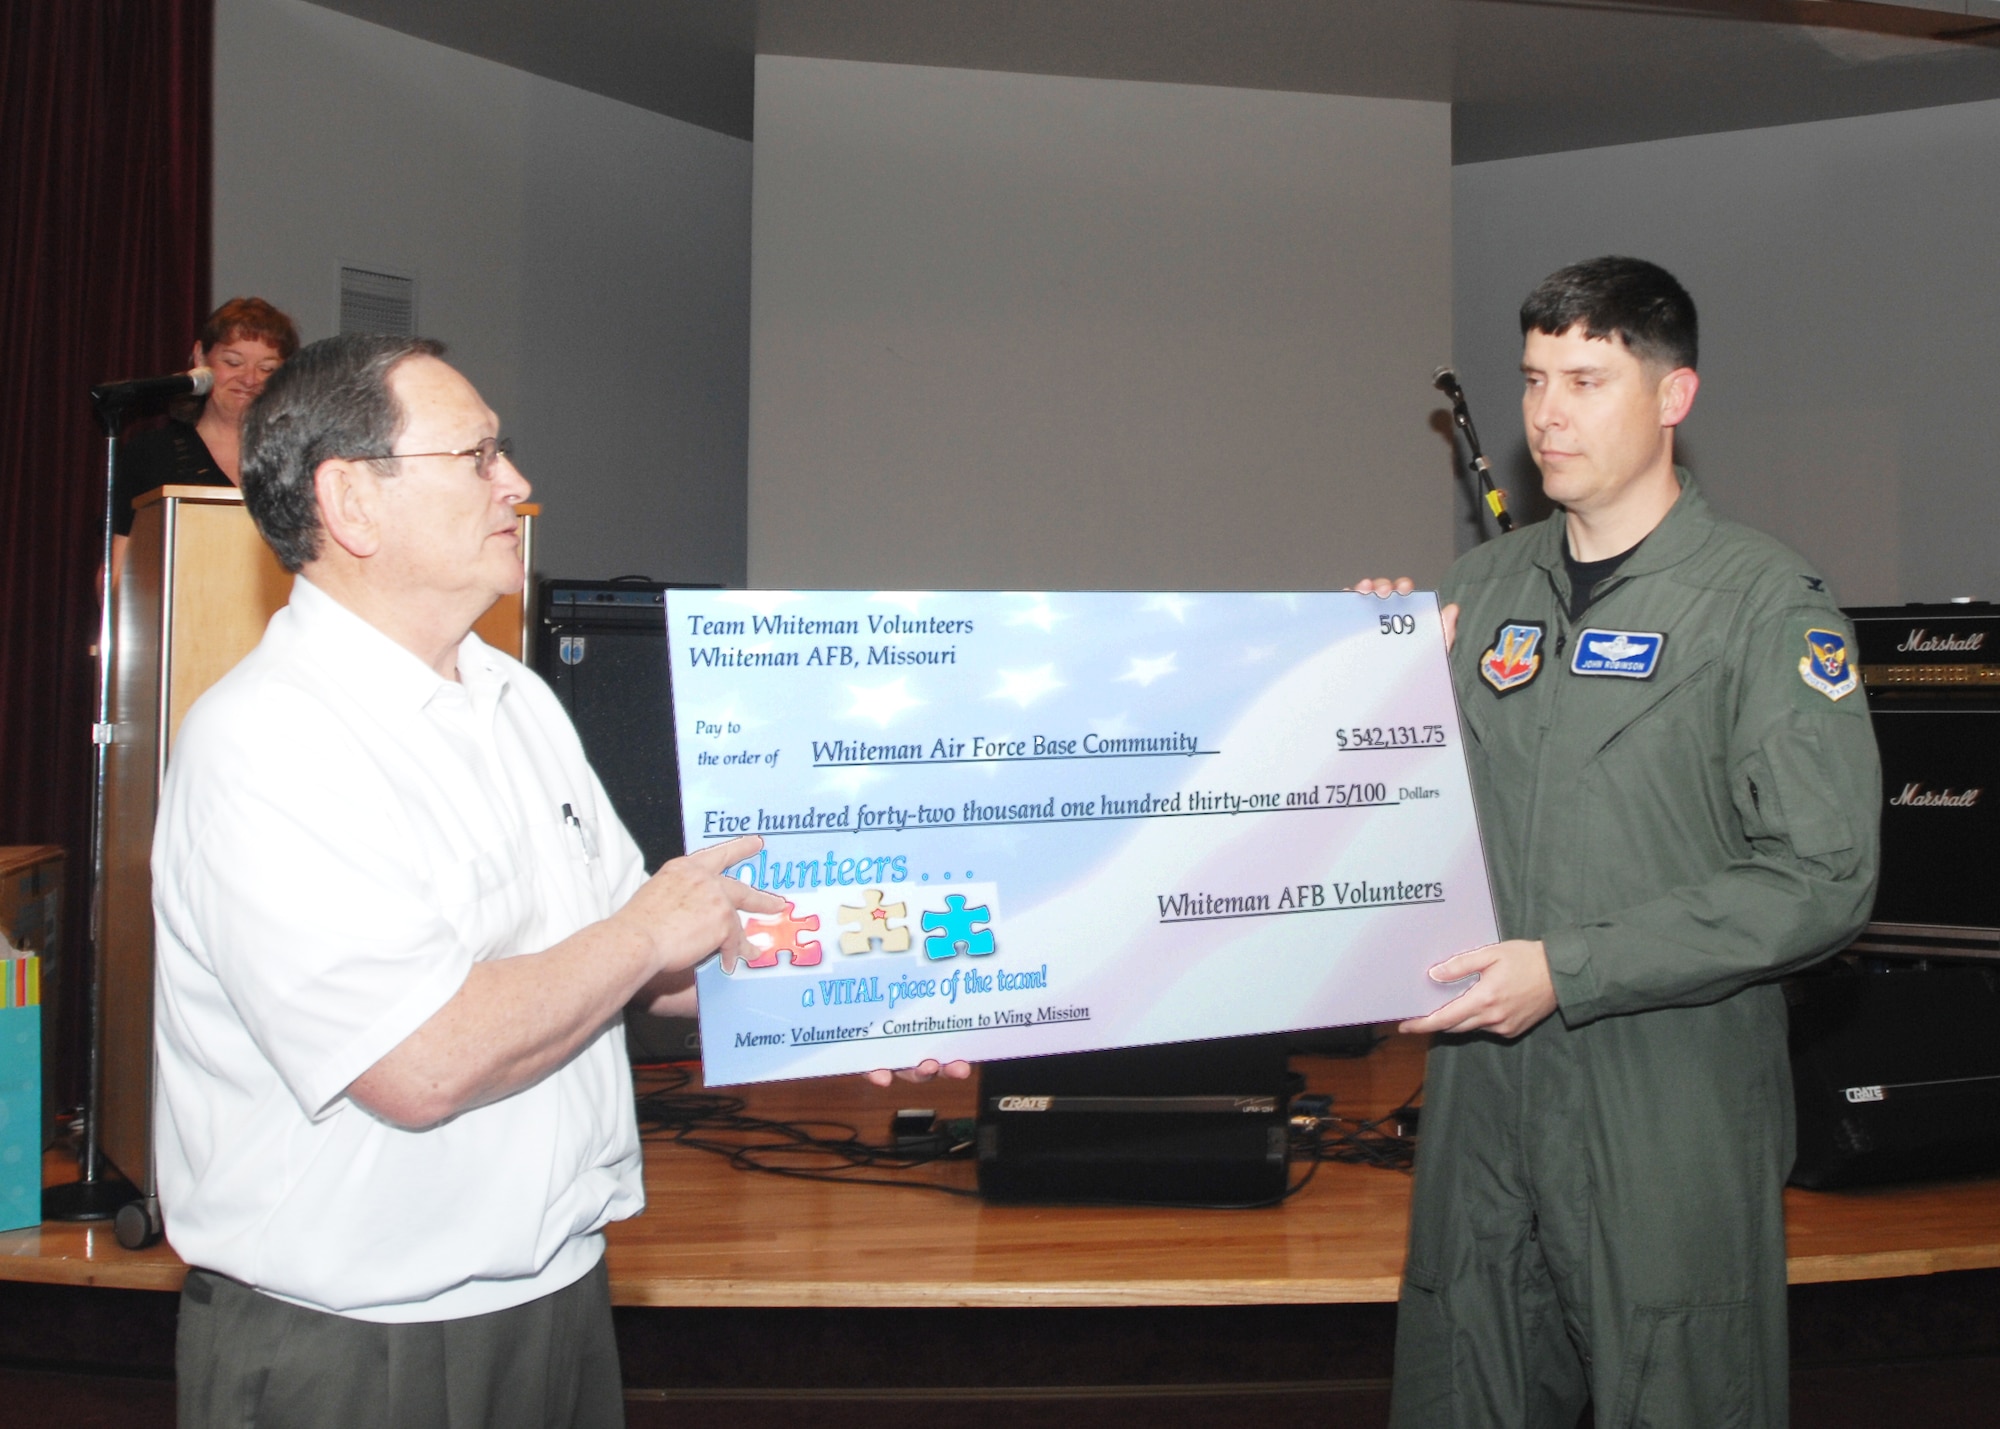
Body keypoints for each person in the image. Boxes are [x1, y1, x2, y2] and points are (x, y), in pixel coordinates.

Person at [150, 332, 786, 1428]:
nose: (519, 484)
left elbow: (638, 964)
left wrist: (842, 992)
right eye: (478, 456)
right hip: (352, 1354)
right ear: (351, 501)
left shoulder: (517, 701)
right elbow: (420, 1061)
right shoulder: (267, 743)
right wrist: (645, 932)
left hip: (558, 1302)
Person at [1375, 257, 1880, 1428]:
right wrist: (1362, 693)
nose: (1546, 412)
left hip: (1665, 1098)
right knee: (1467, 1381)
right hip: (1483, 1098)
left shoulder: (1763, 604)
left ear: (1672, 397)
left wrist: (1571, 968)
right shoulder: (1480, 588)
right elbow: (1400, 832)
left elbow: (1823, 879)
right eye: (1533, 378)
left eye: (1586, 379)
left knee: (1678, 1387)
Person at [110, 296, 300, 579]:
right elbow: (118, 572)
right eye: (234, 362)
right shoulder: (151, 453)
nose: (250, 379)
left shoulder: (302, 459)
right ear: (200, 358)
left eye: (267, 369)